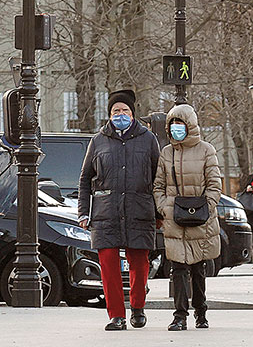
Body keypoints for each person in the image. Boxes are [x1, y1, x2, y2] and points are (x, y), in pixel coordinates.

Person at [77, 89, 159, 331]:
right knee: (109, 264)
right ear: (109, 114)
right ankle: (116, 316)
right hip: (106, 212)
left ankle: (137, 307)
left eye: (124, 110)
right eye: (115, 111)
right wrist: (84, 212)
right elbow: (85, 179)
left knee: (139, 263)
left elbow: (159, 176)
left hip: (139, 209)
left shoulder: (148, 139)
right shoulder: (98, 140)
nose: (120, 114)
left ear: (132, 114)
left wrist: (160, 212)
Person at [153, 103, 221, 331]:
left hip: (200, 218)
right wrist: (165, 207)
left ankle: (201, 312)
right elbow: (159, 185)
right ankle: (179, 315)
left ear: (189, 125)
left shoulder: (206, 150)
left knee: (198, 267)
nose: (175, 128)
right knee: (179, 268)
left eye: (179, 123)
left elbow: (214, 185)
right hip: (175, 218)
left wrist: (207, 206)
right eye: (172, 124)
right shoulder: (167, 153)